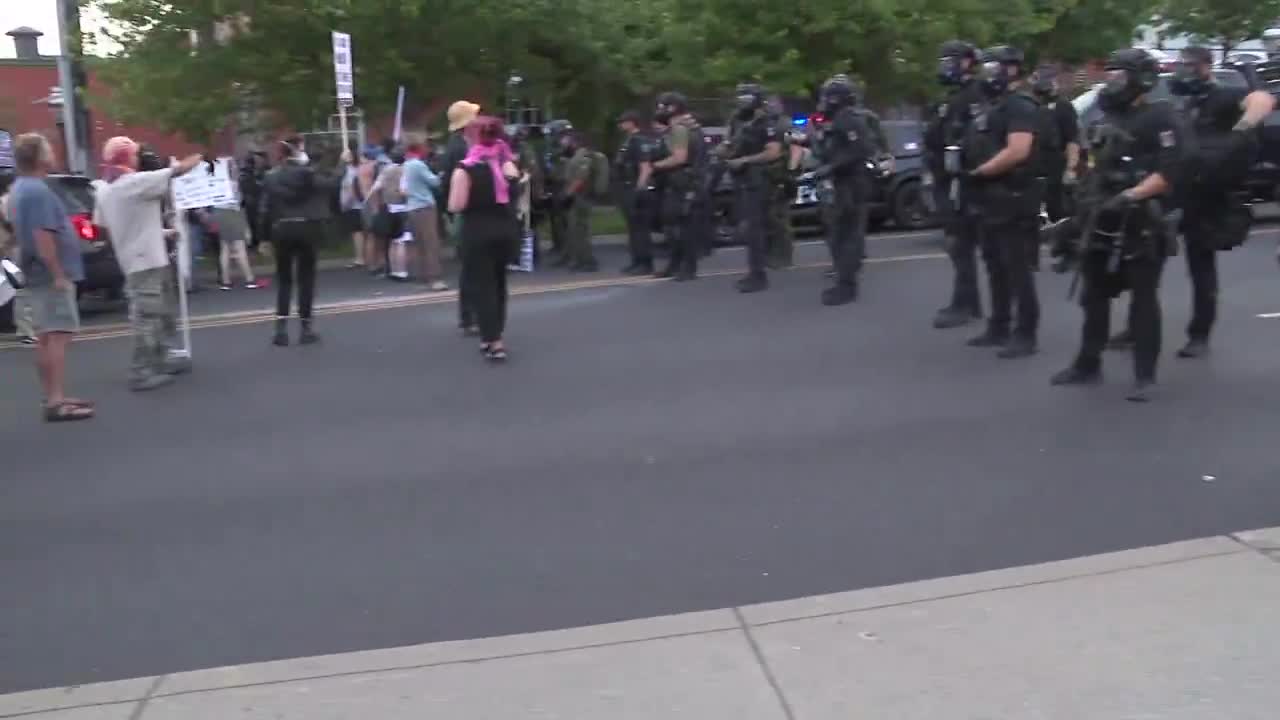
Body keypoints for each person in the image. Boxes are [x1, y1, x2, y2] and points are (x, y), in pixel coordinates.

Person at [1049, 48, 1186, 402]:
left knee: (1143, 301)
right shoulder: (1108, 116)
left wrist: (1131, 195)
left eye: (1119, 76)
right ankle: (1087, 364)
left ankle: (1145, 377)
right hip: (1101, 217)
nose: (1111, 83)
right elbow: (1093, 163)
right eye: (1108, 76)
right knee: (1093, 297)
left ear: (1140, 79)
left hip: (1141, 220)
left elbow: (1168, 173)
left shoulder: (1161, 117)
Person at [1165, 46, 1275, 359]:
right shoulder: (1185, 102)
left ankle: (1199, 334)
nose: (1185, 70)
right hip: (1178, 189)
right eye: (1182, 65)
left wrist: (1239, 132)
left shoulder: (1224, 96)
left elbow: (1262, 100)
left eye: (1191, 65)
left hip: (1208, 195)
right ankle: (1136, 326)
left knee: (1201, 266)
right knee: (1146, 257)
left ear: (1206, 65)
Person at [95, 136, 204, 390]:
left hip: (140, 256)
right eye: (135, 154)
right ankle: (141, 370)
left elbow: (112, 225)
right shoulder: (134, 182)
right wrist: (200, 156)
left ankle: (160, 358)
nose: (138, 158)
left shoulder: (105, 187)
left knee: (160, 312)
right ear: (127, 157)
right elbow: (178, 170)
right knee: (148, 315)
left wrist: (162, 233)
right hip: (145, 261)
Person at [9, 133, 94, 421]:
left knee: (47, 336)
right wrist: (58, 273)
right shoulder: (37, 191)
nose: (52, 152)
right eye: (47, 148)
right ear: (38, 157)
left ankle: (52, 396)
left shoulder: (21, 188)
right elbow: (43, 236)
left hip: (36, 273)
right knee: (57, 336)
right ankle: (56, 401)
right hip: (49, 274)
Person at [963, 46, 1042, 357]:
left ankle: (1026, 333)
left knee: (1017, 268)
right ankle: (999, 325)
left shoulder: (1020, 105)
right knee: (995, 264)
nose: (986, 73)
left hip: (1014, 196)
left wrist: (982, 171)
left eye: (992, 67)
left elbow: (1018, 150)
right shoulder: (993, 105)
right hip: (991, 197)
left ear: (1010, 69)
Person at [448, 116, 520, 362]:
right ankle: (495, 333)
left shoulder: (465, 168)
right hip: (505, 229)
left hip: (478, 231)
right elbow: (515, 189)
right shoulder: (507, 162)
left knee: (482, 287)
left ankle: (492, 341)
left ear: (471, 137)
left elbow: (456, 205)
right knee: (499, 284)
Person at [927, 40, 987, 329]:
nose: (944, 65)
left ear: (966, 62)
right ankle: (969, 302)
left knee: (959, 242)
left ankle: (964, 304)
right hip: (945, 178)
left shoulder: (975, 94)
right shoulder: (951, 97)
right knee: (956, 243)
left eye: (949, 60)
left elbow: (978, 137)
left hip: (962, 180)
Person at [262, 136, 340, 346]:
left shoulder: (270, 177)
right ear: (296, 151)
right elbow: (330, 185)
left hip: (281, 228)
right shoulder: (307, 174)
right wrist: (343, 165)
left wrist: (263, 237)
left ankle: (281, 330)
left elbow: (265, 209)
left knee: (285, 280)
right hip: (306, 227)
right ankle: (306, 328)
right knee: (306, 279)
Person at [809, 75, 874, 305]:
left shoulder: (849, 119)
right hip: (840, 184)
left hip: (851, 184)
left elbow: (860, 150)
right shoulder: (834, 120)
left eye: (829, 97)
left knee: (846, 235)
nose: (825, 101)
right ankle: (843, 281)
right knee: (838, 234)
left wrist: (831, 167)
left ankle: (847, 286)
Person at [724, 82, 784, 293]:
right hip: (743, 180)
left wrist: (745, 160)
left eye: (745, 99)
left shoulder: (767, 122)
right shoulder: (739, 121)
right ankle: (756, 270)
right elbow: (730, 143)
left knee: (755, 228)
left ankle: (759, 275)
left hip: (759, 180)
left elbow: (773, 152)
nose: (741, 103)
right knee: (749, 228)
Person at [638, 91, 705, 281]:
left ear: (673, 108)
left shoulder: (680, 128)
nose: (659, 110)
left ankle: (687, 267)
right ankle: (675, 264)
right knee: (672, 226)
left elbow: (679, 157)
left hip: (684, 182)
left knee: (682, 227)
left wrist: (654, 166)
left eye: (662, 106)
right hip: (681, 182)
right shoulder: (686, 126)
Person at [442, 100, 480, 334]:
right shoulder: (460, 149)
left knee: (471, 267)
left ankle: (469, 316)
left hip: (464, 211)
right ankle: (470, 317)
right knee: (472, 268)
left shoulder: (458, 144)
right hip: (466, 212)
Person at [1031, 66, 1081, 222]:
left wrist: (1071, 169)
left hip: (1055, 167)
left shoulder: (1062, 106)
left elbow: (1072, 139)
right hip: (1032, 167)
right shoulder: (1030, 105)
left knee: (1058, 212)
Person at [403, 135, 447, 289]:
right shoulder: (418, 165)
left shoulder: (406, 165)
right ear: (418, 149)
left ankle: (422, 275)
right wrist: (441, 174)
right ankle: (435, 278)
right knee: (431, 243)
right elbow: (434, 182)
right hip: (425, 206)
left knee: (419, 243)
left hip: (412, 206)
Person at [616, 110, 654, 275]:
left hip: (636, 188)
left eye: (624, 121)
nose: (621, 124)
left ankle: (645, 263)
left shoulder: (639, 140)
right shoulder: (629, 140)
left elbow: (645, 167)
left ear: (632, 122)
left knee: (640, 229)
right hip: (627, 187)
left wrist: (640, 188)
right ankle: (636, 261)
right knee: (633, 229)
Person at [557, 129, 599, 272]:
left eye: (568, 140)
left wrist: (568, 194)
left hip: (581, 197)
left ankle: (587, 261)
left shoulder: (584, 156)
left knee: (581, 230)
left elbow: (580, 178)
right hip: (576, 196)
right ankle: (578, 259)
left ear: (575, 142)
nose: (565, 142)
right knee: (574, 229)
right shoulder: (575, 156)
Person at [764, 97, 795, 270]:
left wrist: (790, 173)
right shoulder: (768, 124)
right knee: (770, 217)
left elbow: (794, 149)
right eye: (769, 104)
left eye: (774, 104)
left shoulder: (786, 125)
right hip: (769, 175)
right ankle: (772, 253)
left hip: (781, 175)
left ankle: (784, 256)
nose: (771, 107)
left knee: (780, 218)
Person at [370, 146, 411, 279]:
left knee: (392, 241)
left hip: (388, 208)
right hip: (403, 208)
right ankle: (402, 271)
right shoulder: (406, 170)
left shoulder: (385, 171)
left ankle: (393, 270)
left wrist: (374, 204)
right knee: (401, 241)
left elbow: (375, 189)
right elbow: (405, 190)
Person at [542, 119, 575, 265]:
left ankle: (569, 252)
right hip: (553, 184)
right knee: (556, 219)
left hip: (565, 185)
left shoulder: (570, 147)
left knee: (566, 220)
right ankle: (560, 246)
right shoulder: (552, 147)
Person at [338, 142, 368, 270]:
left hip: (354, 205)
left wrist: (346, 203)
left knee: (357, 233)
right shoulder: (361, 168)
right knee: (364, 231)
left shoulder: (350, 171)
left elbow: (351, 189)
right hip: (364, 204)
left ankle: (360, 258)